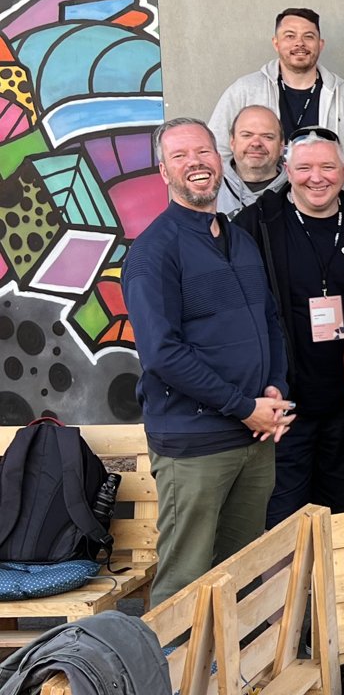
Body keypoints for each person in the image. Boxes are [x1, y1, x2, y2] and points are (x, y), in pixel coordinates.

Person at [123, 118, 293, 605]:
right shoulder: (154, 252)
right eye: (180, 156)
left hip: (255, 433)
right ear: (164, 172)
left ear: (221, 161)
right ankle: (173, 680)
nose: (195, 163)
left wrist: (274, 388)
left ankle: (229, 677)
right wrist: (244, 406)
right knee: (185, 581)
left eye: (204, 152)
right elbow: (162, 353)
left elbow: (269, 320)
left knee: (240, 572)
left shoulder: (239, 239)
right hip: (194, 443)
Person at [232, 129, 344, 531]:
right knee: (283, 518)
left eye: (327, 167)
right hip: (284, 403)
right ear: (287, 170)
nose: (316, 177)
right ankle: (288, 595)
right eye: (304, 167)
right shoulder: (255, 225)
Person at [208, 8, 344, 197]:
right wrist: (236, 202)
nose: (299, 43)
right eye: (290, 36)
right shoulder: (244, 91)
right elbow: (216, 152)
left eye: (308, 37)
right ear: (276, 43)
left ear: (320, 44)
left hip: (327, 215)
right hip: (256, 212)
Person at [217, 106, 286, 218]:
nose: (256, 143)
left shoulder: (298, 190)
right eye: (247, 135)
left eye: (267, 137)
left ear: (281, 146)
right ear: (232, 142)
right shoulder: (210, 188)